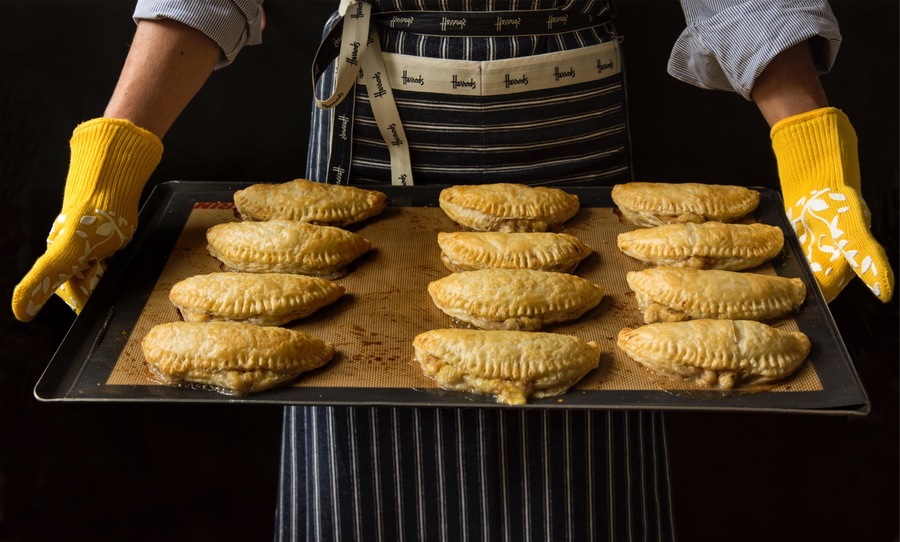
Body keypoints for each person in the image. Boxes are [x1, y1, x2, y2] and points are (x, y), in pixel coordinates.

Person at [9, 1, 895, 540]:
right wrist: (117, 156)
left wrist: (807, 145)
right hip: (369, 140)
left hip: (572, 141)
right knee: (355, 425)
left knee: (596, 404)